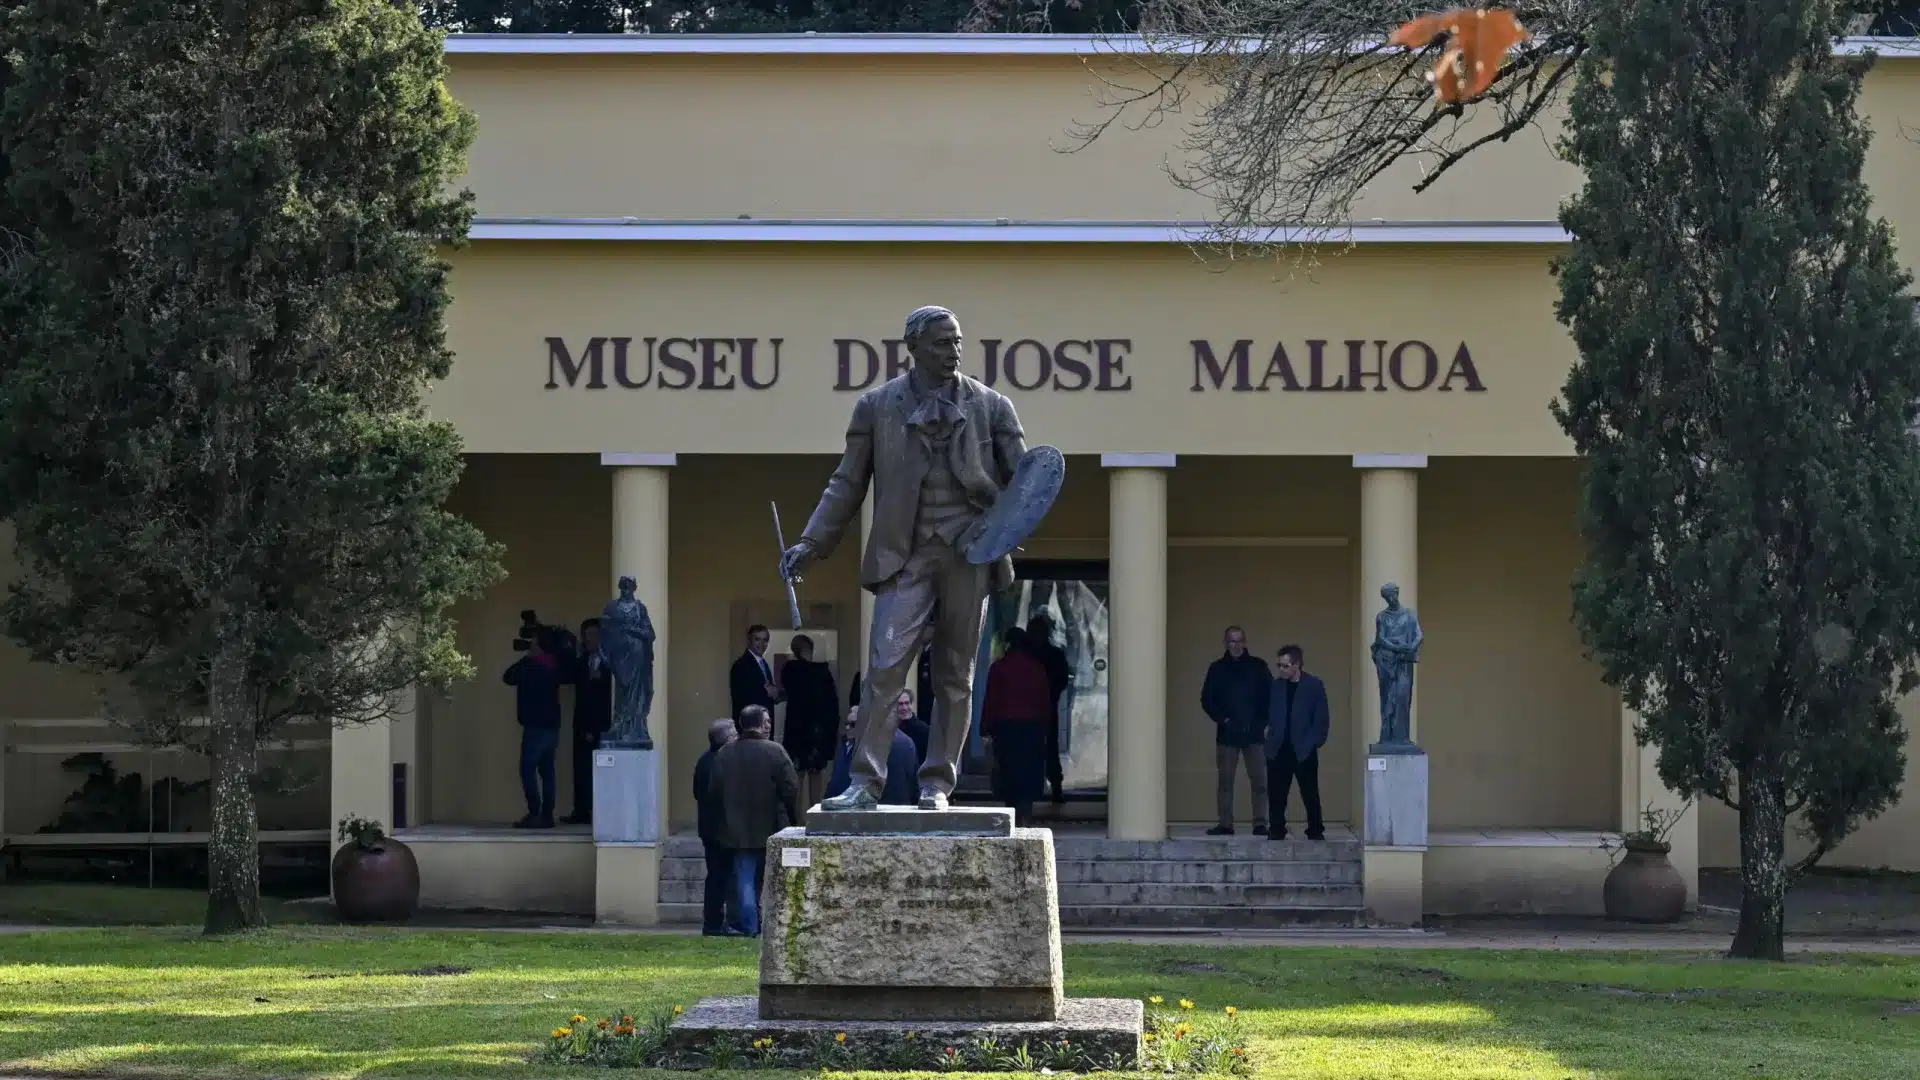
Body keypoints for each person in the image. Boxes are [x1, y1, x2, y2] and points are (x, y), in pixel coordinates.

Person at [781, 304, 1029, 812]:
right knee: (884, 667)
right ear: (912, 347)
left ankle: (937, 783)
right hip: (906, 555)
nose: (953, 352)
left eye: (957, 341)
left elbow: (1026, 482)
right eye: (941, 343)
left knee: (955, 674)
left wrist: (1009, 526)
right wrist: (812, 542)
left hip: (970, 553)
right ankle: (865, 782)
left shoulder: (992, 405)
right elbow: (846, 482)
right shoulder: (876, 407)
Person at [708, 705, 800, 936]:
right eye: (766, 721)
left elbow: (713, 791)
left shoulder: (725, 753)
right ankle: (769, 925)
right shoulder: (775, 751)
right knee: (771, 879)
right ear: (760, 724)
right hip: (771, 826)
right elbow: (791, 788)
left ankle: (749, 926)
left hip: (736, 830)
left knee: (745, 879)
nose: (769, 725)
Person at [1200, 625, 1272, 836]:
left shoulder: (1258, 667)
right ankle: (1225, 824)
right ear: (1225, 643)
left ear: (1245, 642)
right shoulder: (1217, 668)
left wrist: (1262, 723)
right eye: (1232, 641)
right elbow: (1207, 699)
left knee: (1260, 782)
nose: (1236, 645)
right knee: (1225, 782)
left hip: (1254, 734)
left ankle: (1260, 823)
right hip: (1227, 734)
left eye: (1239, 640)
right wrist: (1223, 719)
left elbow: (1270, 696)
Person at [981, 627, 1053, 826]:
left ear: (1008, 644)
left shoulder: (998, 668)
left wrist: (985, 727)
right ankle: (1025, 814)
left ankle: (1011, 815)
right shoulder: (1037, 668)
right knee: (1029, 773)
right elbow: (1044, 701)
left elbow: (991, 700)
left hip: (1006, 729)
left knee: (1008, 773)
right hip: (1032, 729)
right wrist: (1046, 727)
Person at [502, 629, 566, 829]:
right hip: (552, 726)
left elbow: (508, 677)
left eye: (533, 643)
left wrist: (526, 658)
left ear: (539, 647)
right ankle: (547, 815)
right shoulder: (554, 665)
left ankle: (534, 813)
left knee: (527, 770)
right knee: (547, 772)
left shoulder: (531, 666)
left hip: (535, 726)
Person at [1266, 644, 1330, 842]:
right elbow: (1266, 711)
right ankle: (1276, 829)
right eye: (1279, 665)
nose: (1281, 669)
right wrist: (1267, 733)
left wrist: (1313, 742)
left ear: (1297, 664)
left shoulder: (1313, 685)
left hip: (1303, 748)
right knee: (1276, 793)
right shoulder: (1276, 686)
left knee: (1310, 792)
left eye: (1285, 666)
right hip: (1278, 748)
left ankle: (1315, 829)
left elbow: (1321, 718)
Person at [778, 634, 840, 806]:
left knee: (796, 775)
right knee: (815, 775)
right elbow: (831, 705)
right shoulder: (822, 672)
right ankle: (814, 812)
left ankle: (797, 816)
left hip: (796, 730)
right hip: (818, 731)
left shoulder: (790, 671)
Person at [691, 717, 737, 935]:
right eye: (734, 734)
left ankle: (713, 922)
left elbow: (697, 793)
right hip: (721, 830)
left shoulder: (704, 760)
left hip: (709, 828)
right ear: (726, 739)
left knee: (716, 876)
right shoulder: (721, 762)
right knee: (720, 878)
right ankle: (714, 923)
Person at [564, 618, 612, 825]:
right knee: (581, 768)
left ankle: (604, 812)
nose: (590, 639)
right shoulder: (582, 660)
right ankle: (581, 810)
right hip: (582, 722)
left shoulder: (611, 661)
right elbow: (568, 677)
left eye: (594, 635)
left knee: (605, 769)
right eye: (586, 636)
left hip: (604, 723)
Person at [826, 705, 920, 806]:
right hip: (895, 805)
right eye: (846, 724)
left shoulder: (871, 744)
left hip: (878, 805)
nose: (847, 728)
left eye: (853, 724)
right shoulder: (847, 746)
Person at [1026, 612, 1071, 803]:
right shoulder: (1053, 655)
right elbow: (1062, 679)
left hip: (1033, 708)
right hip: (1044, 707)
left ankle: (1038, 789)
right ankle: (1054, 788)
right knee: (1048, 748)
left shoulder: (1028, 656)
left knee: (1035, 749)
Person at [728, 624, 781, 723]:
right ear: (749, 641)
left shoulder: (763, 663)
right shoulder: (740, 665)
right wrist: (766, 693)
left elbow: (769, 690)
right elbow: (740, 697)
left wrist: (775, 695)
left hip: (763, 724)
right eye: (757, 639)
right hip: (750, 725)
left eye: (765, 640)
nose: (762, 644)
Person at [894, 689, 930, 768]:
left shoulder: (924, 730)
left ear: (911, 704)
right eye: (900, 704)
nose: (904, 708)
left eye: (907, 703)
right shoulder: (890, 730)